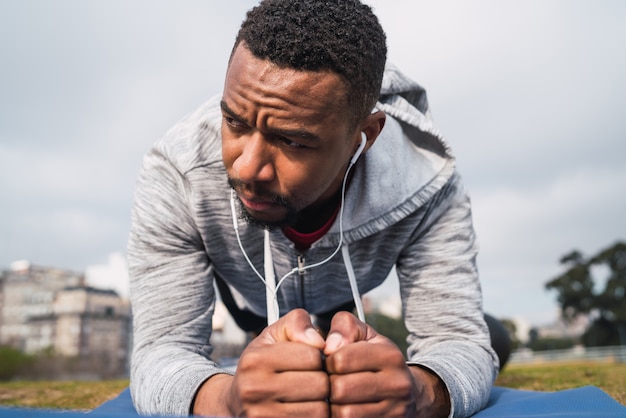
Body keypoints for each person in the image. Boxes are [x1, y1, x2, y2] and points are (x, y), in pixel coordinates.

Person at [128, 1, 499, 417]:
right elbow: (160, 352)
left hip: (347, 303)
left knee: (492, 338)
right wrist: (227, 401)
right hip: (251, 302)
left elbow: (459, 341)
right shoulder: (177, 175)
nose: (247, 166)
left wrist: (419, 390)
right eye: (234, 122)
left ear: (366, 135)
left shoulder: (428, 182)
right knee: (267, 369)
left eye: (293, 142)